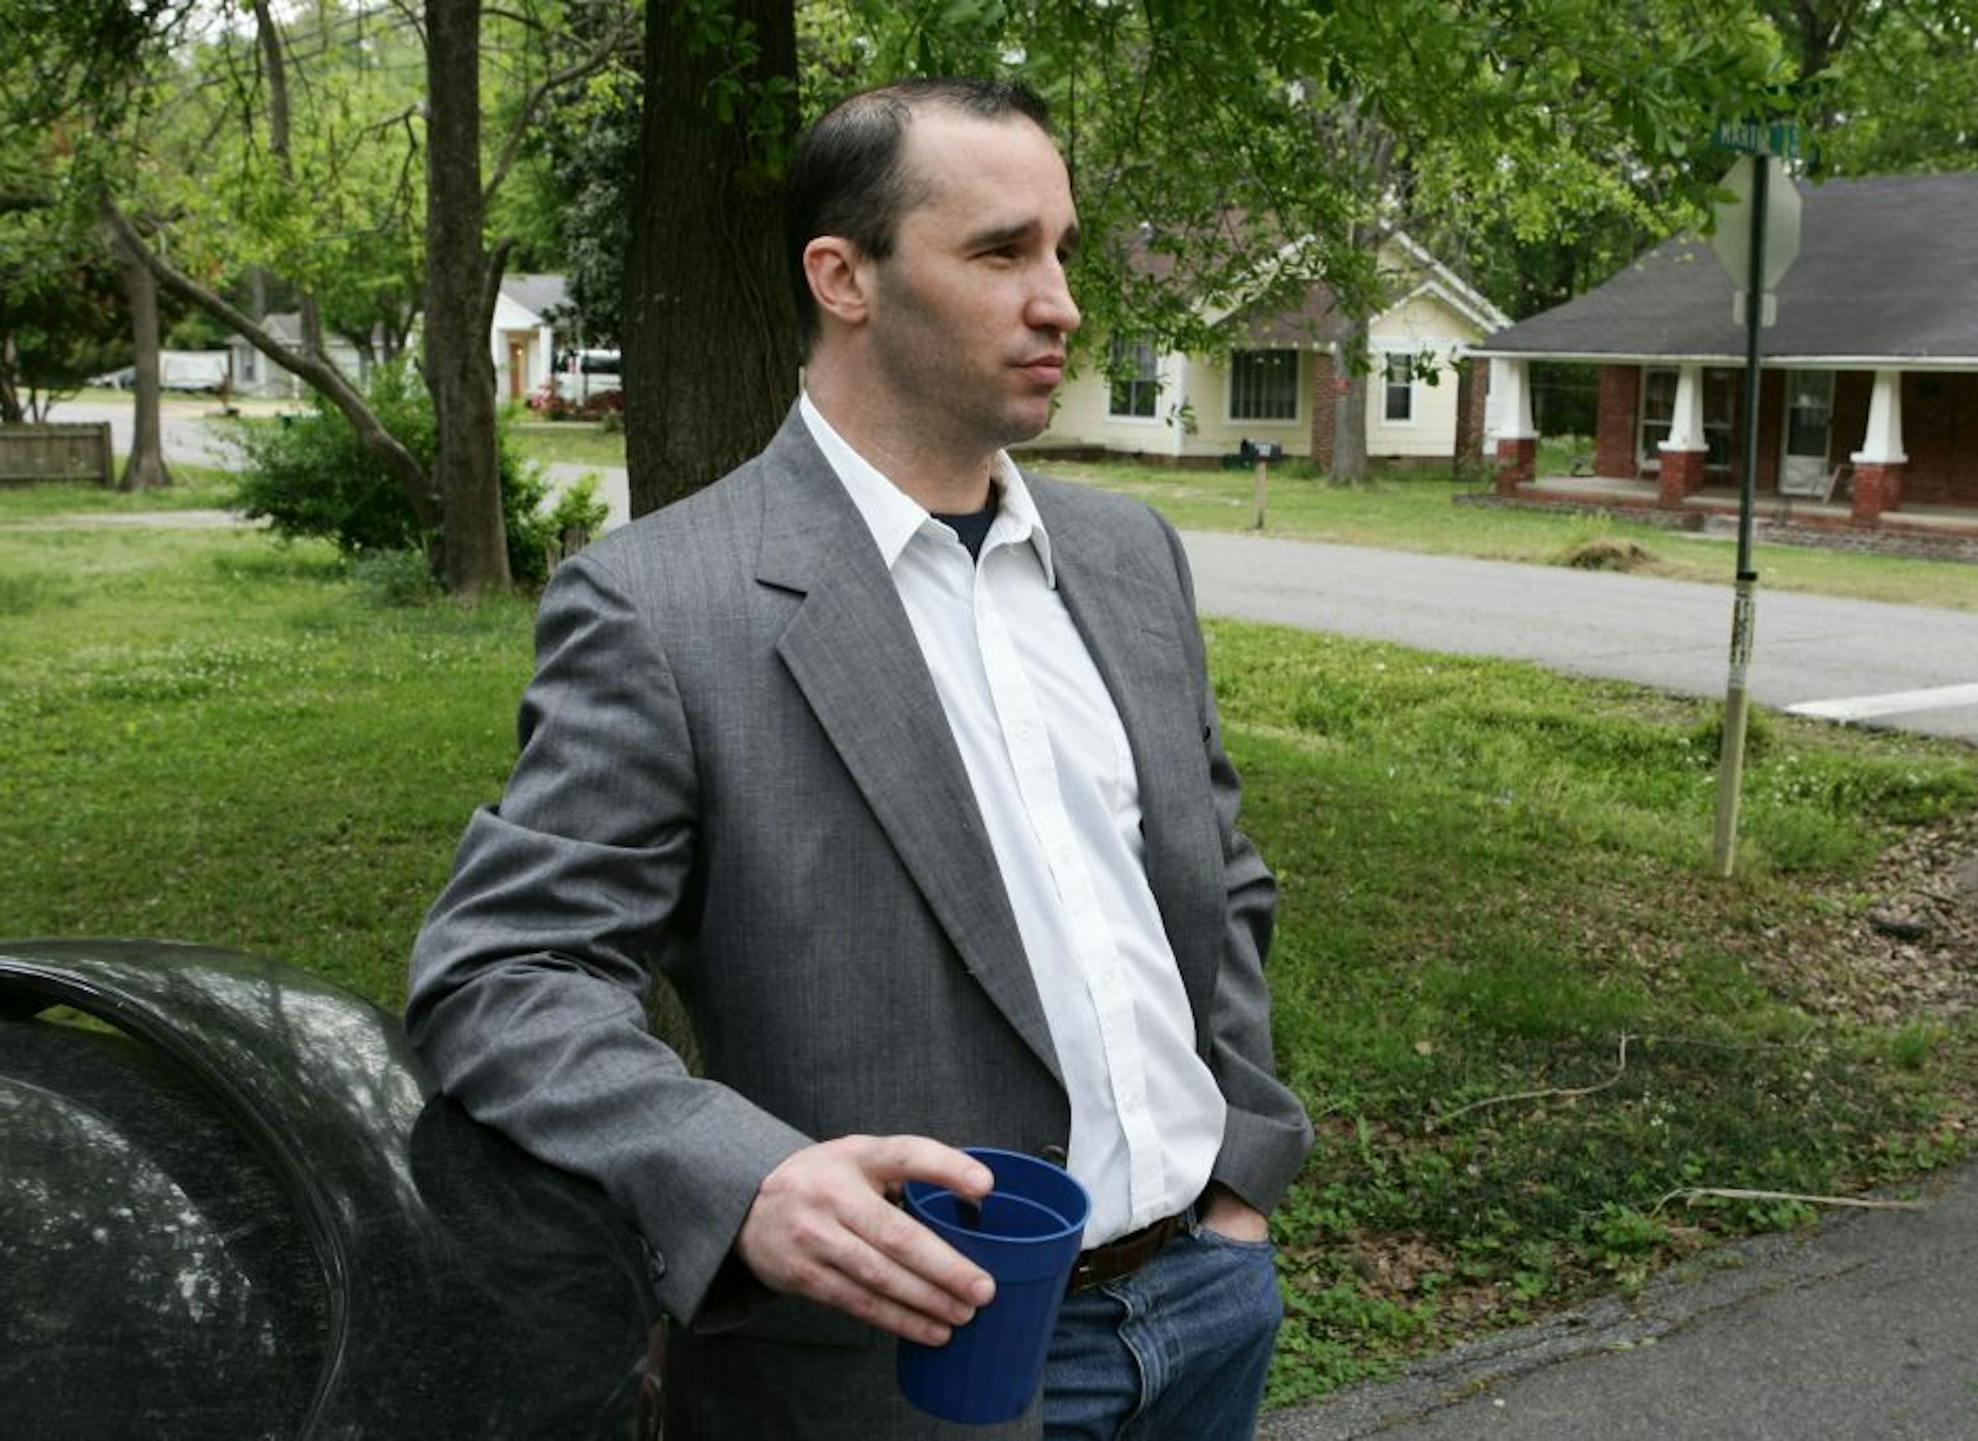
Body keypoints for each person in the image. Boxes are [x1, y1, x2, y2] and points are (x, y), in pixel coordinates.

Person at [405, 76, 1311, 1439]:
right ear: (844, 276)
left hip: (1207, 1307)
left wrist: (1242, 1167)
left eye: (1062, 249)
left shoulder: (1130, 558)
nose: (1059, 299)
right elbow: (504, 975)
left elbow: (1217, 879)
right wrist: (745, 1177)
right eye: (1003, 252)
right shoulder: (665, 605)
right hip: (895, 1375)